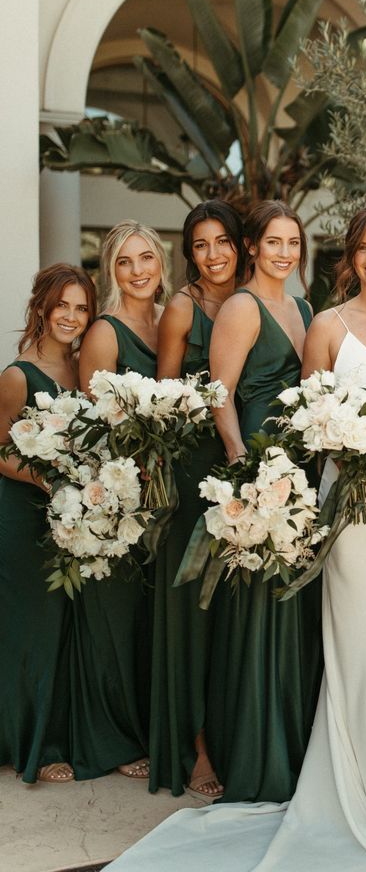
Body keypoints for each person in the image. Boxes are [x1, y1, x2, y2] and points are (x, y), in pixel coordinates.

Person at [106, 202, 366, 872]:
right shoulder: (325, 323)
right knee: (351, 641)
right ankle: (345, 773)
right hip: (346, 505)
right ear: (350, 257)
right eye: (364, 249)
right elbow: (307, 412)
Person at [204, 200, 321, 803]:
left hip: (298, 466)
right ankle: (253, 748)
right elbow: (219, 394)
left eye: (293, 242)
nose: (283, 252)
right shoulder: (241, 307)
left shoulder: (301, 307)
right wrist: (240, 468)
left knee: (290, 600)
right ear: (252, 247)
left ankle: (292, 740)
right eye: (273, 242)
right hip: (254, 464)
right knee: (256, 604)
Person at [150, 201, 245, 798]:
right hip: (194, 472)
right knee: (194, 613)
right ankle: (197, 749)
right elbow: (164, 398)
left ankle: (238, 734)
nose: (213, 255)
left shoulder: (261, 301)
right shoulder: (183, 308)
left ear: (240, 245)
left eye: (222, 242)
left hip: (251, 471)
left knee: (236, 612)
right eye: (201, 245)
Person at [72, 221, 170, 781]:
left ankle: (153, 727)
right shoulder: (106, 333)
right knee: (119, 615)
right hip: (122, 493)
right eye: (125, 263)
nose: (138, 272)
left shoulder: (166, 320)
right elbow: (92, 424)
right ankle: (114, 736)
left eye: (146, 259)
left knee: (153, 618)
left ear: (160, 261)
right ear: (111, 271)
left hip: (169, 490)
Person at [0, 264, 95, 783]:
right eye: (63, 305)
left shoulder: (85, 369)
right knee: (30, 630)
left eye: (82, 308)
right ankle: (30, 746)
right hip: (21, 513)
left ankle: (58, 733)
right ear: (42, 306)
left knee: (64, 628)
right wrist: (44, 480)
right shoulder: (17, 376)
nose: (72, 317)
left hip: (74, 515)